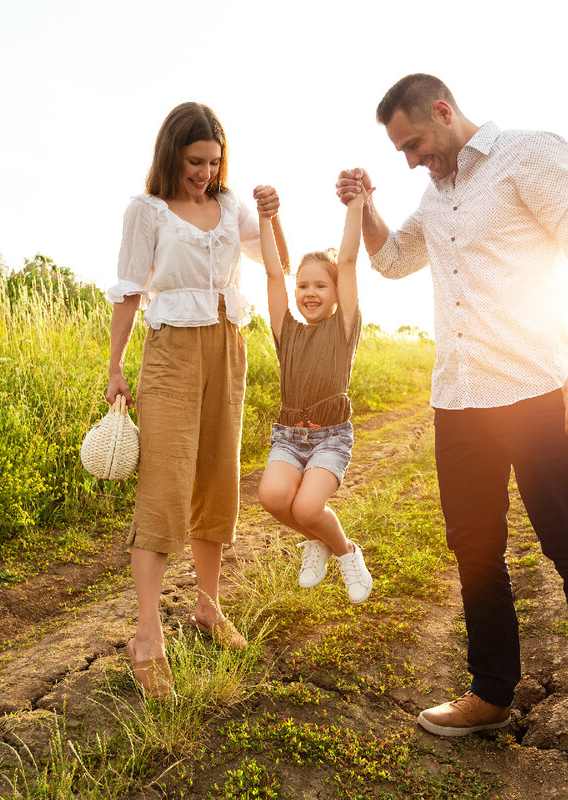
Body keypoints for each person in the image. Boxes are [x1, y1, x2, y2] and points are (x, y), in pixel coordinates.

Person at [336, 74, 568, 779]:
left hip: (537, 390)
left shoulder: (531, 154)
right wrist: (368, 204)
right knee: (474, 550)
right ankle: (491, 691)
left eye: (413, 143)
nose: (410, 159)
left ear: (443, 111)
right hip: (460, 399)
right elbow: (390, 261)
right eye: (400, 152)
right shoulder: (433, 191)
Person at [106, 102, 282, 700]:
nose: (205, 173)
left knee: (216, 480)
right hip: (172, 351)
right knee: (164, 484)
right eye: (195, 162)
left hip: (229, 347)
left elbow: (271, 260)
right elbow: (130, 289)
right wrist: (115, 368)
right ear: (171, 155)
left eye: (214, 161)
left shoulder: (230, 207)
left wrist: (270, 216)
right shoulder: (147, 210)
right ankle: (147, 638)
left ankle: (208, 609)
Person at [252, 182, 373, 604]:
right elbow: (272, 273)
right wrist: (266, 219)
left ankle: (345, 552)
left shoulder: (344, 329)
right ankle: (319, 540)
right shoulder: (286, 331)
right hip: (289, 436)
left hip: (331, 437)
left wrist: (356, 204)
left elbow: (350, 260)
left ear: (338, 294)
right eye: (303, 285)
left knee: (305, 509)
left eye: (321, 286)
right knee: (272, 497)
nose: (309, 293)